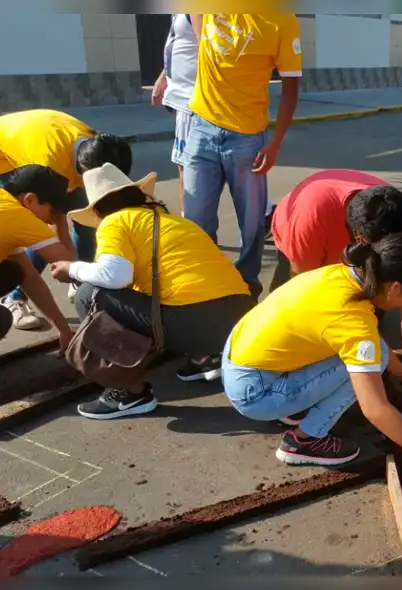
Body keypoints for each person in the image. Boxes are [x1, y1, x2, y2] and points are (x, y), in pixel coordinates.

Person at [220, 232, 402, 495]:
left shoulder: (343, 274)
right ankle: (304, 440)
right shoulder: (354, 322)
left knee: (372, 353)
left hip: (240, 360)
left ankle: (293, 403)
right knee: (367, 364)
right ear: (395, 288)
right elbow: (374, 408)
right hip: (256, 394)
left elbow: (366, 337)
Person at [50, 163, 254, 420]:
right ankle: (206, 357)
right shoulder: (172, 221)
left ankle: (129, 393)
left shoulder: (115, 221)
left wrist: (72, 269)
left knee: (90, 293)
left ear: (98, 210)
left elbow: (114, 275)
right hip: (238, 321)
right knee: (165, 292)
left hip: (196, 322)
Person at [182, 14, 302, 300]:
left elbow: (291, 87)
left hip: (247, 138)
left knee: (251, 225)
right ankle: (207, 286)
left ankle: (247, 288)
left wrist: (275, 144)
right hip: (202, 128)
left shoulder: (282, 21)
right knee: (197, 220)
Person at [269, 168, 402, 359]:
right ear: (361, 240)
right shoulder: (310, 220)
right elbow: (303, 289)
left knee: (363, 328)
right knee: (289, 320)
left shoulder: (397, 215)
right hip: (300, 234)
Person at [0, 109, 132, 329]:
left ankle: (82, 285)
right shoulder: (44, 167)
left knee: (85, 219)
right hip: (6, 159)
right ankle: (15, 298)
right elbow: (51, 245)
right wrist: (67, 257)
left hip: (41, 146)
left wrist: (75, 270)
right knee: (34, 234)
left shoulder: (94, 145)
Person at [0, 165, 78, 350]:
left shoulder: (6, 207)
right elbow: (72, 269)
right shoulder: (18, 218)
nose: (51, 219)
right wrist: (60, 225)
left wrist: (64, 330)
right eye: (53, 211)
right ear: (30, 200)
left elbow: (31, 279)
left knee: (11, 271)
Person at [151, 13, 203, 215]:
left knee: (186, 166)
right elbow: (180, 43)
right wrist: (164, 77)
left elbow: (208, 50)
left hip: (192, 100)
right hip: (183, 99)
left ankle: (190, 220)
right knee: (188, 165)